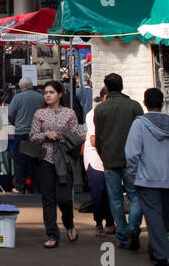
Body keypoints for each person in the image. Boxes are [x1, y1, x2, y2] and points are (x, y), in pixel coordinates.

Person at [125, 87, 169, 266]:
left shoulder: (139, 124)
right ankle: (156, 250)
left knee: (154, 217)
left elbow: (132, 154)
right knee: (165, 218)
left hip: (147, 179)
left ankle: (163, 255)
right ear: (163, 103)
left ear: (145, 103)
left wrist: (133, 173)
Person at [93, 73, 144, 251]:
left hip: (109, 157)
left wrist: (102, 154)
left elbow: (98, 137)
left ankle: (122, 235)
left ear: (106, 88)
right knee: (135, 196)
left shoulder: (101, 109)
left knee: (115, 199)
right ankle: (133, 227)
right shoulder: (134, 106)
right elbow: (141, 134)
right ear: (122, 86)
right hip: (132, 159)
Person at [30, 79, 81, 247]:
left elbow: (76, 136)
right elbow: (32, 136)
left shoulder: (69, 113)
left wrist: (61, 136)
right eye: (45, 93)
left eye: (51, 92)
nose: (48, 95)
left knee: (64, 198)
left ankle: (69, 223)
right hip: (45, 159)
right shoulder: (39, 114)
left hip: (64, 160)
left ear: (59, 94)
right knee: (48, 198)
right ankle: (52, 234)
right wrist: (46, 135)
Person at [84, 87, 114, 235]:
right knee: (98, 191)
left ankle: (110, 221)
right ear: (104, 98)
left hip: (110, 158)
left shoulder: (115, 114)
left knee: (111, 192)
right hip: (95, 158)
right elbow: (93, 139)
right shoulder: (93, 114)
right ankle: (99, 223)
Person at [7, 78, 44, 193]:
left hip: (21, 133)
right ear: (32, 85)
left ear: (21, 87)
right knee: (35, 162)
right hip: (37, 134)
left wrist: (16, 123)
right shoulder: (40, 97)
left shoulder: (17, 98)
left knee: (20, 162)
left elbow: (10, 114)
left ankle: (20, 187)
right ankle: (36, 188)